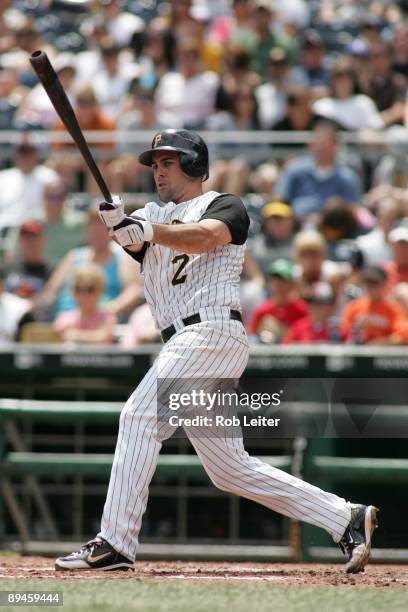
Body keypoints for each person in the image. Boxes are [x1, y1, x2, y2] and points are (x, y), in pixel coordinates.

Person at [55, 128, 378, 574]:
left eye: (169, 162)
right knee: (229, 469)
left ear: (194, 165)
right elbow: (139, 240)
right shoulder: (153, 214)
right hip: (187, 344)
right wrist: (118, 224)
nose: (160, 171)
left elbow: (203, 237)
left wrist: (143, 228)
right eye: (156, 164)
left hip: (209, 334)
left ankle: (115, 541)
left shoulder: (225, 204)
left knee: (139, 415)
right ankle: (345, 517)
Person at [274, 122, 361, 219]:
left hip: (332, 230)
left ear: (337, 146)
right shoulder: (294, 169)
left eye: (326, 144)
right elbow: (280, 200)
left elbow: (353, 210)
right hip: (295, 226)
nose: (321, 148)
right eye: (318, 143)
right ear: (311, 145)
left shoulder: (347, 177)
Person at [54, 263, 117, 345]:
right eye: (79, 289)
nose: (84, 295)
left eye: (90, 289)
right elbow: (57, 337)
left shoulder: (107, 317)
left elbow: (104, 337)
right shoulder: (64, 318)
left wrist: (75, 335)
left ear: (100, 291)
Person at [248, 259, 308, 342]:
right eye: (274, 279)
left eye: (282, 280)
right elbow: (251, 334)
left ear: (292, 283)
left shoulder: (302, 309)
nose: (277, 284)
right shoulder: (264, 309)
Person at [342, 266, 406, 345]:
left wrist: (380, 343)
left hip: (385, 355)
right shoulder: (354, 307)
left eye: (374, 284)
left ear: (384, 285)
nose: (370, 288)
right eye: (367, 284)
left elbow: (403, 336)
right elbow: (343, 333)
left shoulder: (393, 308)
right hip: (358, 354)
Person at [283, 281, 349, 344]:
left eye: (318, 303)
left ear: (329, 306)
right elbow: (285, 350)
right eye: (311, 303)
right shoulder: (298, 328)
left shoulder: (339, 329)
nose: (314, 307)